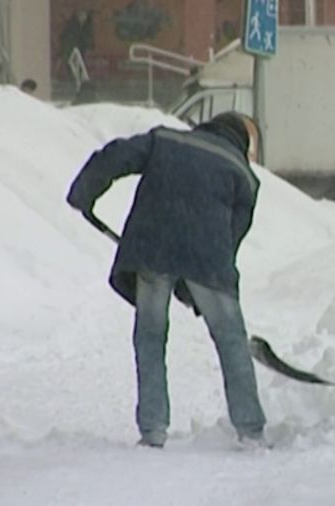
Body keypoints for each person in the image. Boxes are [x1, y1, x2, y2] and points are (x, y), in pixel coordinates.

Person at [65, 112, 268, 450]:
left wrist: (84, 192)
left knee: (150, 335)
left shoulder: (166, 140)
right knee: (231, 340)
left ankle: (153, 430)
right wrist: (203, 283)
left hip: (152, 250)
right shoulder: (244, 175)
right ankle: (251, 431)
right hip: (207, 259)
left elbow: (116, 155)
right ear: (240, 142)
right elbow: (231, 239)